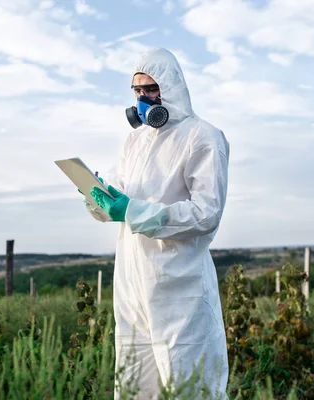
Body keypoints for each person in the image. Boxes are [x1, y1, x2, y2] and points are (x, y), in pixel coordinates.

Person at [82, 47, 230, 399]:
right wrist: (98, 199)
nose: (143, 98)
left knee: (192, 389)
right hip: (133, 290)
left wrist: (133, 212)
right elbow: (120, 198)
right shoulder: (134, 141)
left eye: (151, 89)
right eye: (137, 91)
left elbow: (206, 213)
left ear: (172, 87)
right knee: (135, 389)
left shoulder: (203, 137)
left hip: (180, 291)